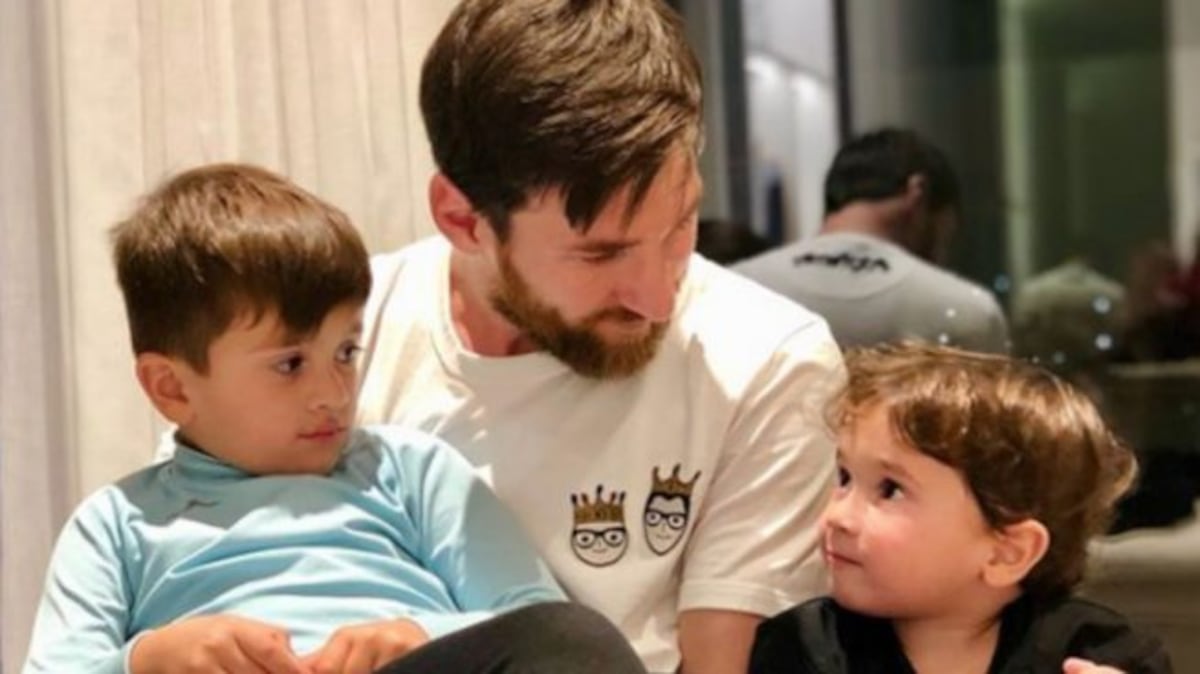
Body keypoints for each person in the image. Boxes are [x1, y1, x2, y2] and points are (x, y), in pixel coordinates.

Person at [356, 0, 845, 671]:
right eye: (600, 254)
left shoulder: (767, 360)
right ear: (462, 219)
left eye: (681, 224)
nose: (658, 298)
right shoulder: (336, 337)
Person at [23, 164, 648, 674]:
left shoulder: (410, 471)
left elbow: (530, 614)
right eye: (290, 364)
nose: (333, 392)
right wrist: (148, 659)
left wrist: (418, 633)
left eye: (346, 351)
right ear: (172, 388)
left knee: (576, 638)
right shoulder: (116, 523)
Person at [749, 342, 1171, 674]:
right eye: (843, 478)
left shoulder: (1101, 651)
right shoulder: (803, 647)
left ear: (1008, 553)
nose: (838, 517)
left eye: (891, 490)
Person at [734, 128, 1009, 354]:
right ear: (917, 191)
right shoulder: (967, 312)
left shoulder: (736, 288)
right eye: (945, 234)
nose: (942, 254)